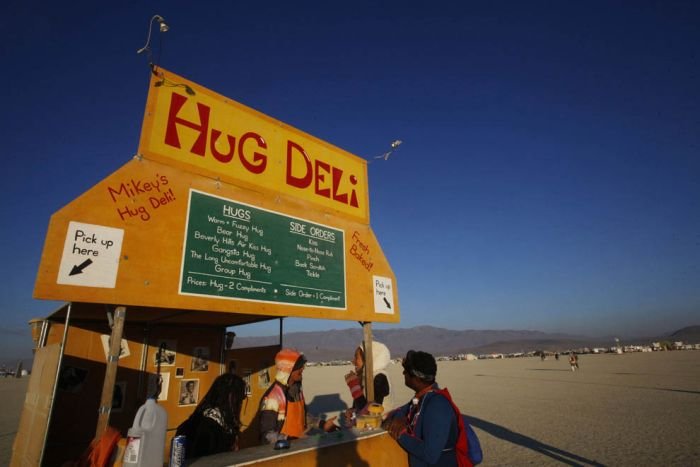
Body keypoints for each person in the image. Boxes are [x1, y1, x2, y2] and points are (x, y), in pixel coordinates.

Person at [383, 350, 460, 466]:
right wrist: (398, 420)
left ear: (417, 378)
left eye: (406, 371)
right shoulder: (421, 398)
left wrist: (400, 434)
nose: (403, 373)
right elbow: (401, 411)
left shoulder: (437, 405)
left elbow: (430, 455)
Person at [259, 348, 337, 444]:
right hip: (282, 452)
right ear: (288, 370)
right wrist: (291, 440)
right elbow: (267, 435)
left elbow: (303, 417)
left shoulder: (296, 390)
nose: (303, 368)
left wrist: (322, 424)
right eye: (299, 366)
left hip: (298, 448)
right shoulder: (272, 398)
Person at [175, 373, 246, 458]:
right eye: (240, 398)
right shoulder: (208, 427)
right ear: (230, 397)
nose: (241, 403)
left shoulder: (221, 423)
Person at [344, 340, 392, 417]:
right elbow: (361, 406)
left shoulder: (380, 377)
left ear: (368, 360)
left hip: (382, 426)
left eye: (356, 357)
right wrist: (353, 411)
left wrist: (354, 386)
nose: (353, 361)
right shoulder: (365, 377)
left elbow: (371, 413)